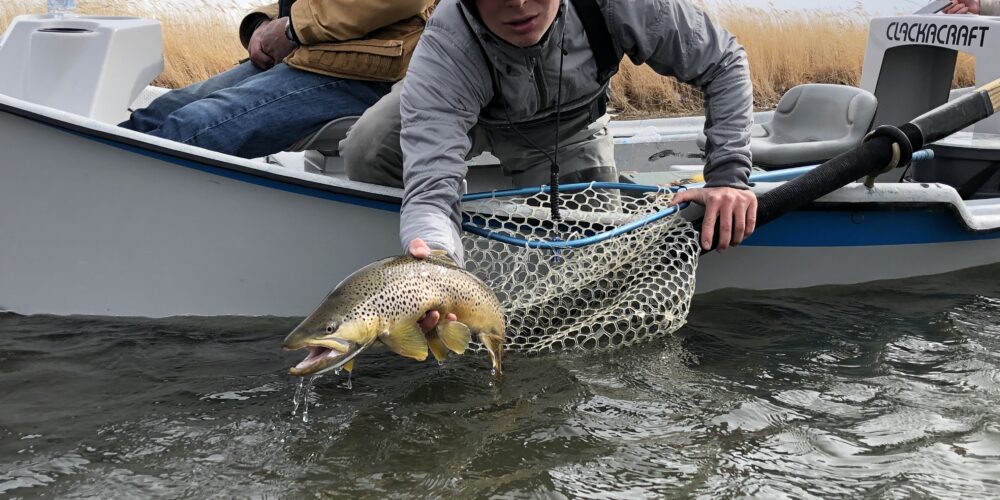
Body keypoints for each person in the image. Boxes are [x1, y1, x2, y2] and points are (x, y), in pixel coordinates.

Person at [341, 0, 758, 266]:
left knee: (591, 263)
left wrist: (728, 178)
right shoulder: (446, 43)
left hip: (568, 130)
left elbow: (723, 63)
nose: (518, 3)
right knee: (367, 146)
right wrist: (433, 252)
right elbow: (430, 193)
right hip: (471, 120)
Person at [119, 0, 435, 159]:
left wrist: (292, 28)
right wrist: (264, 23)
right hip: (313, 50)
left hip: (368, 70)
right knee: (159, 113)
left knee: (192, 127)